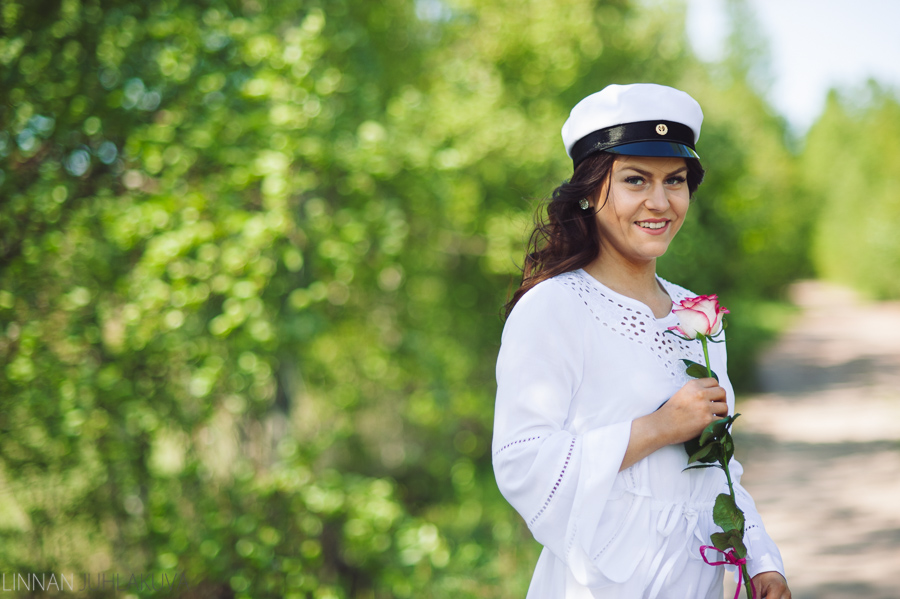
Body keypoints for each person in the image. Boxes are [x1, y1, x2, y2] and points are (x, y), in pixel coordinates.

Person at [492, 84, 791, 599]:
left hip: (692, 583)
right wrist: (657, 427)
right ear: (588, 190)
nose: (660, 201)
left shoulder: (696, 313)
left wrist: (760, 559)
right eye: (635, 180)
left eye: (675, 181)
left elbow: (716, 462)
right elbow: (521, 461)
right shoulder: (553, 307)